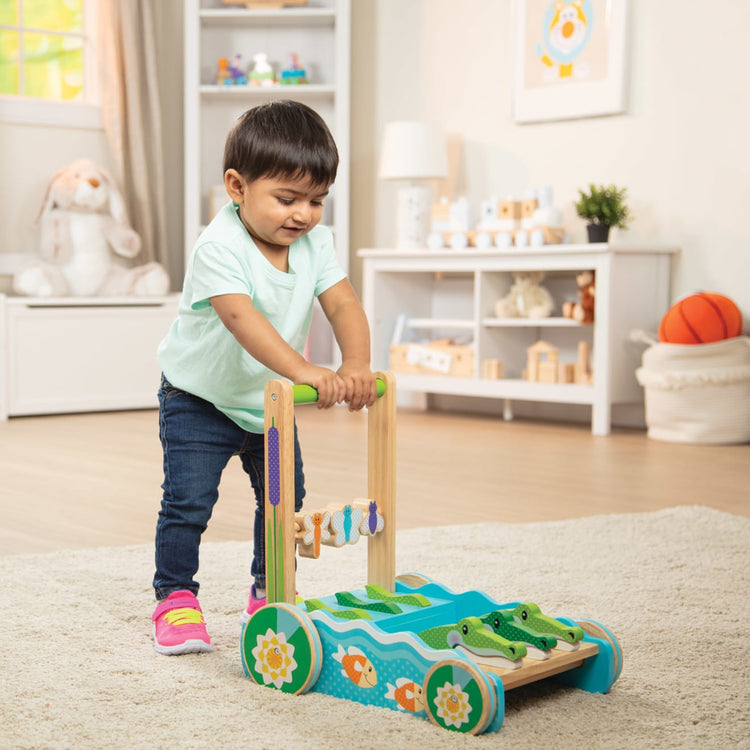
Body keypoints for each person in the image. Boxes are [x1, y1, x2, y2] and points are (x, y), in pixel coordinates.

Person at [151, 100, 377, 655]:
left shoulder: (314, 244)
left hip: (267, 402)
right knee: (189, 501)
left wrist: (355, 364)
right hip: (199, 398)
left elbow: (343, 303)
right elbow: (242, 320)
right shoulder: (219, 247)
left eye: (316, 201)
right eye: (287, 198)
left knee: (283, 501)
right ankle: (175, 596)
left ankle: (268, 587)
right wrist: (305, 369)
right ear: (237, 186)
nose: (303, 214)